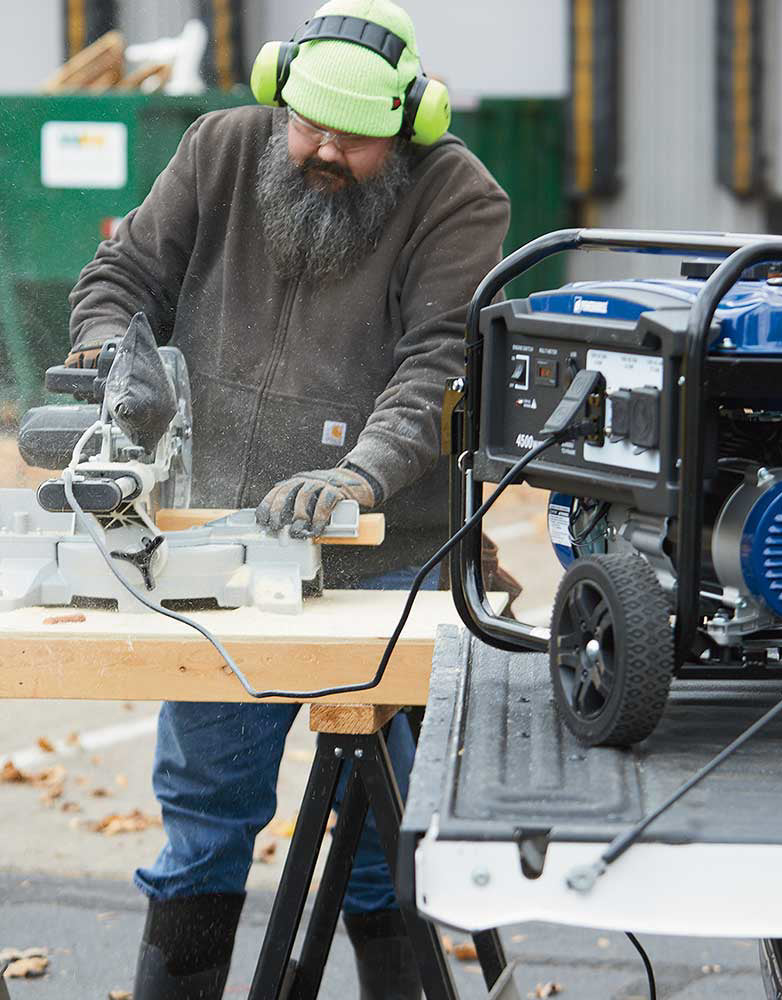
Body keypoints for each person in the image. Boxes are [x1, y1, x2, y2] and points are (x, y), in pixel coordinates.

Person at [65, 1, 510, 996]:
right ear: (279, 96)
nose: (326, 151)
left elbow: (440, 363)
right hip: (219, 547)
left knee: (377, 828)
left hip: (386, 552)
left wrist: (359, 475)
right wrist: (106, 352)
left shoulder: (457, 195)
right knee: (205, 819)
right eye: (309, 127)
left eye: (355, 138)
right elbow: (124, 272)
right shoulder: (222, 147)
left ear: (412, 125)